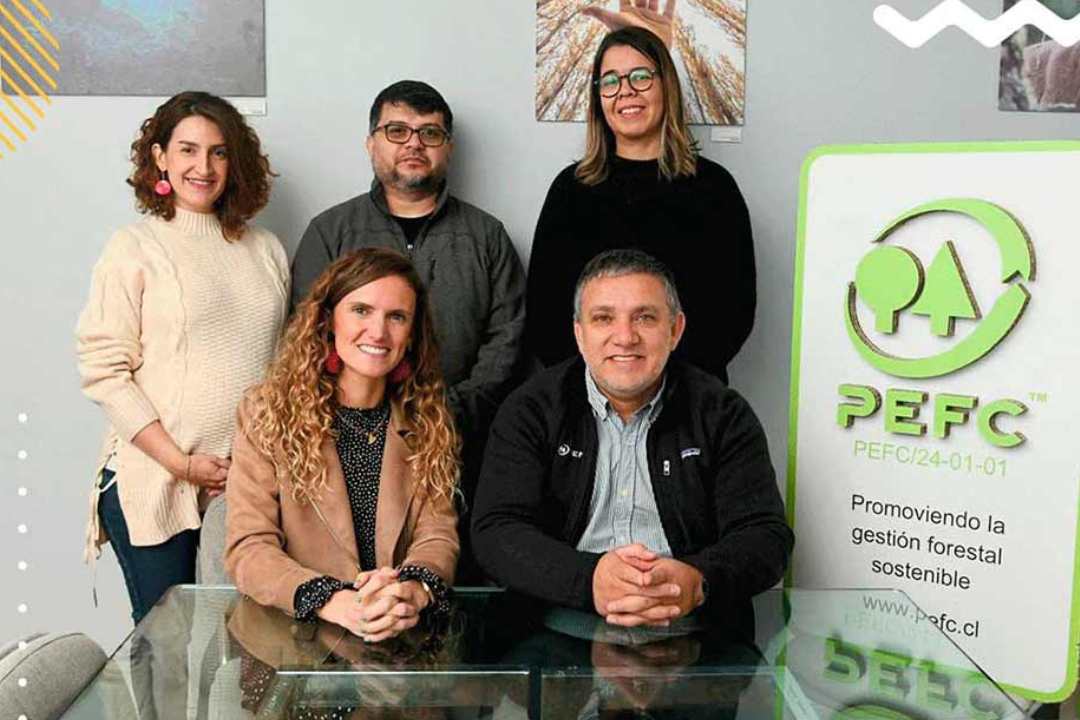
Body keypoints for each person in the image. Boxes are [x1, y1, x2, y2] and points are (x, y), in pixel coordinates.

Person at [473, 249, 791, 631]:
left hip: (692, 627)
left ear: (675, 330)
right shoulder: (531, 410)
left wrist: (697, 579)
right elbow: (496, 530)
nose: (625, 338)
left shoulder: (722, 414)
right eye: (603, 318)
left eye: (645, 317)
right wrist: (589, 579)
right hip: (554, 625)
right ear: (579, 334)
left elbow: (766, 536)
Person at [290, 79, 526, 581]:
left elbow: (508, 338)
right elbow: (307, 331)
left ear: (448, 147)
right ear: (371, 143)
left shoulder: (486, 236)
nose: (413, 143)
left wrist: (448, 409)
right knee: (357, 586)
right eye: (397, 131)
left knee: (448, 581)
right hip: (347, 446)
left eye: (429, 133)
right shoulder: (331, 232)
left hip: (466, 444)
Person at [76, 91, 289, 623]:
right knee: (165, 647)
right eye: (188, 150)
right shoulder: (134, 247)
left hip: (242, 485)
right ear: (160, 158)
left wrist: (255, 465)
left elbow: (282, 367)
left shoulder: (266, 249)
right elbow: (104, 371)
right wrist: (180, 462)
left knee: (239, 643)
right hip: (155, 479)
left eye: (219, 152)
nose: (204, 167)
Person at [225, 248, 459, 643]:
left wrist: (412, 591)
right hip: (294, 638)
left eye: (396, 317)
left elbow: (437, 535)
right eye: (361, 311)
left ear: (411, 335)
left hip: (395, 639)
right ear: (328, 320)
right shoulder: (266, 413)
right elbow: (249, 547)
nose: (378, 332)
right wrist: (332, 601)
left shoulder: (427, 418)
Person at [525, 26, 755, 384]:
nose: (625, 91)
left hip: (688, 393)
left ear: (667, 87)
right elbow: (546, 312)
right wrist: (602, 388)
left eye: (640, 76)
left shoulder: (714, 188)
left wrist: (657, 387)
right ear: (598, 98)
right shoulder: (570, 190)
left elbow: (733, 310)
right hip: (586, 396)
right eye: (610, 81)